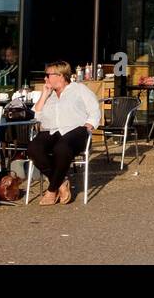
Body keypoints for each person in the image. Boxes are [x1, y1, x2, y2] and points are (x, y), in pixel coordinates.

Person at [28, 61, 101, 206]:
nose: (45, 79)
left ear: (61, 76)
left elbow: (94, 109)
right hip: (52, 130)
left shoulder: (79, 89)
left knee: (61, 148)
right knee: (33, 148)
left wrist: (89, 125)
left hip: (76, 130)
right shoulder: (51, 95)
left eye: (48, 75)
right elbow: (36, 116)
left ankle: (51, 190)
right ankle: (61, 183)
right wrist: (44, 94)